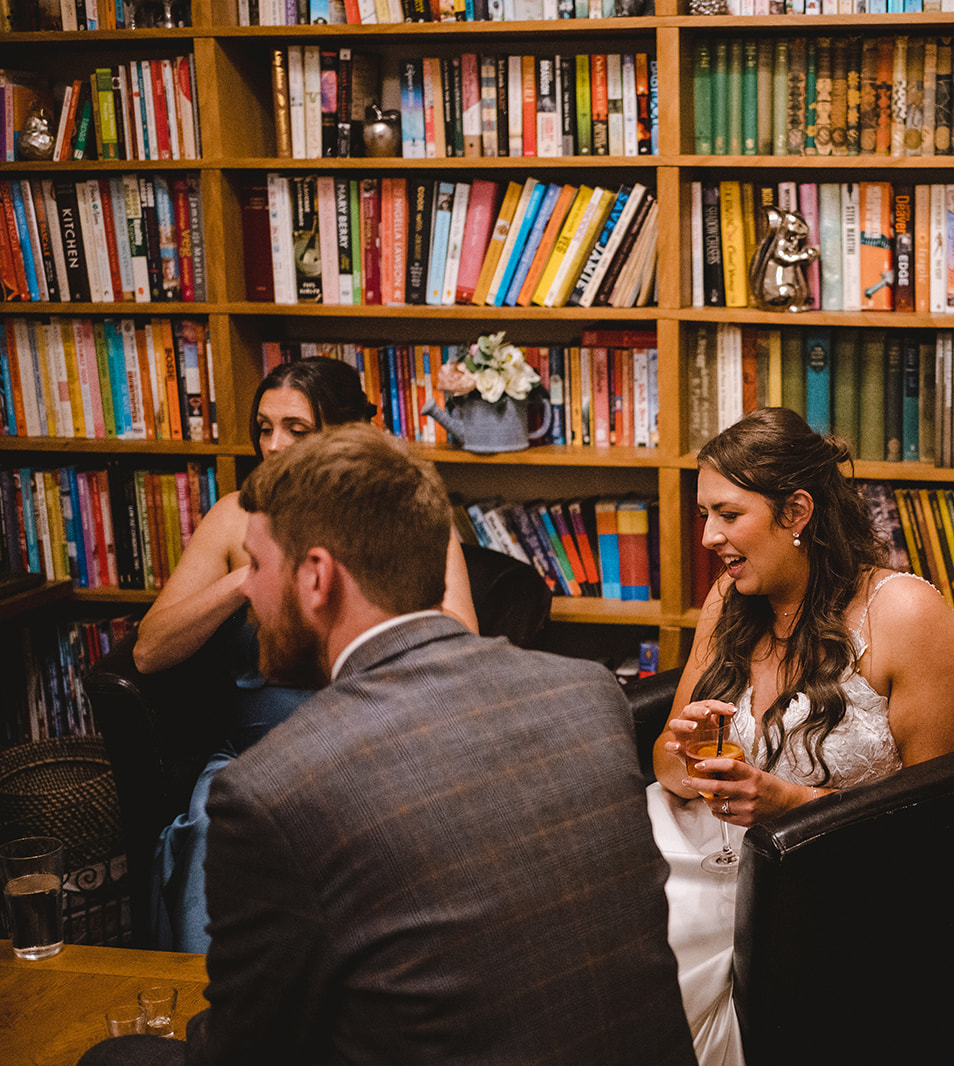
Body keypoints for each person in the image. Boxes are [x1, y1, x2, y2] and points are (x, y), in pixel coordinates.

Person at [82, 424, 695, 1066]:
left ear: (317, 578)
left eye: (257, 566)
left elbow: (247, 1048)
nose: (247, 593)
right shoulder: (587, 693)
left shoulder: (274, 787)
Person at [648, 407, 954, 1066]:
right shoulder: (728, 600)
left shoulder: (906, 617)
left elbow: (946, 835)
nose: (710, 536)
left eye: (728, 514)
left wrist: (793, 807)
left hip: (815, 879)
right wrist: (685, 760)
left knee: (644, 964)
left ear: (796, 511)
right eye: (703, 515)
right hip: (685, 841)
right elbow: (664, 752)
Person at [131, 356, 478, 951]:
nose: (274, 445)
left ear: (348, 435)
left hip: (377, 747)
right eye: (264, 428)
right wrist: (252, 577)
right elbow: (148, 652)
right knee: (220, 828)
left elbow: (460, 640)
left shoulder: (407, 514)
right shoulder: (233, 519)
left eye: (296, 429)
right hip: (256, 757)